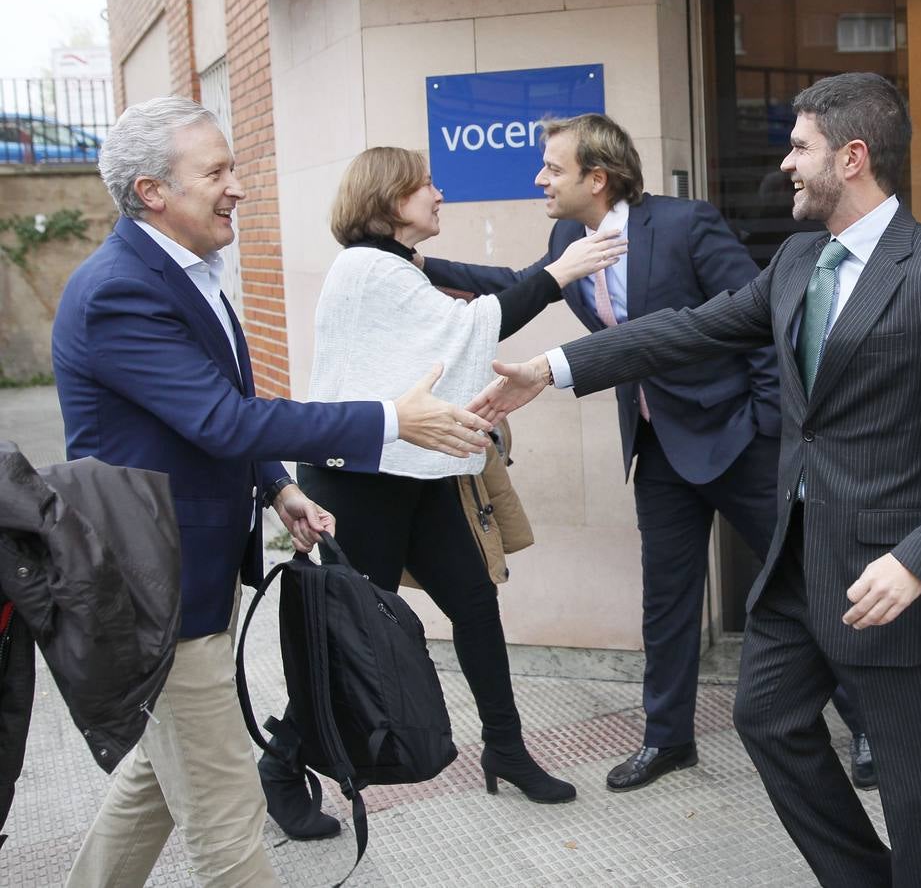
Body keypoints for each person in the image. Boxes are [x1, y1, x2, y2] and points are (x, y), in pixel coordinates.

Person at [466, 72, 921, 886]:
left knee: (914, 785)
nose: (784, 164)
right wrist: (553, 366)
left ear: (851, 158)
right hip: (795, 563)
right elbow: (688, 329)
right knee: (767, 717)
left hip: (889, 573)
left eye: (798, 147)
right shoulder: (799, 259)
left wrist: (920, 558)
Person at [51, 97, 492, 887]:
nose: (237, 188)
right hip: (158, 593)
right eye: (216, 171)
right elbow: (223, 418)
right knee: (226, 823)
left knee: (160, 780)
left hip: (191, 576)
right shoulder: (120, 290)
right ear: (153, 191)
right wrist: (392, 418)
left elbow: (204, 414)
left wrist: (277, 488)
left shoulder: (186, 270)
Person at [420, 113, 873, 793]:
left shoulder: (685, 224)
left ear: (596, 178)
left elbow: (760, 317)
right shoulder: (567, 236)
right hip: (656, 446)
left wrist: (763, 424)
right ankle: (668, 739)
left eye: (553, 168)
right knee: (665, 599)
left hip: (736, 440)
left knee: (803, 582)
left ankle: (868, 722)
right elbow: (520, 279)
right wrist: (419, 265)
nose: (540, 179)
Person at [257, 145, 628, 831]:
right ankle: (280, 763)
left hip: (422, 472)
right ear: (389, 199)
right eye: (424, 184)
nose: (438, 194)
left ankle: (508, 749)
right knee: (354, 639)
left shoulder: (400, 268)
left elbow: (486, 295)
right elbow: (465, 330)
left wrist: (548, 273)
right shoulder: (367, 267)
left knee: (475, 606)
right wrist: (557, 275)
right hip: (359, 481)